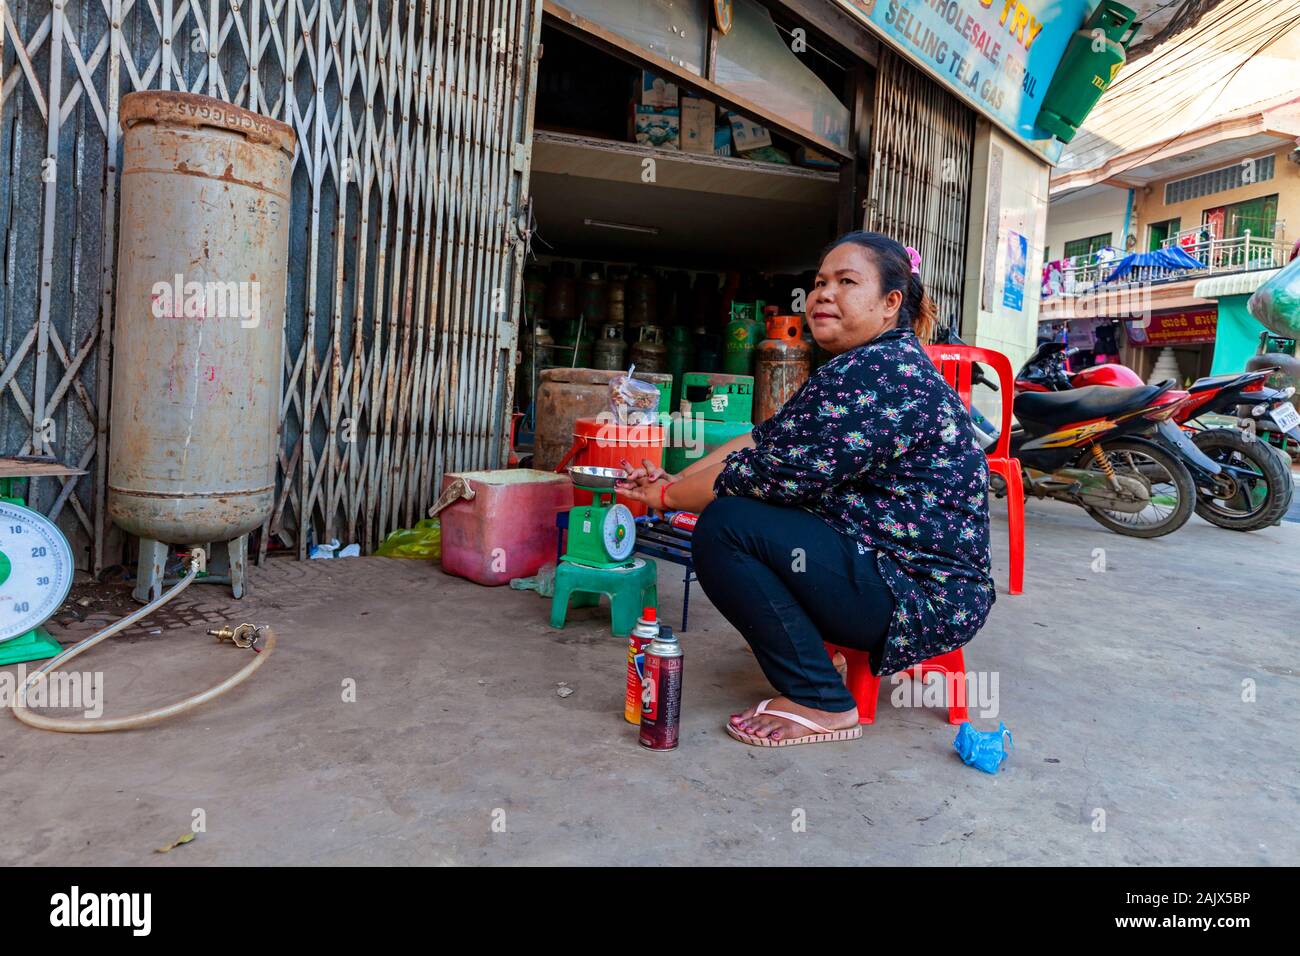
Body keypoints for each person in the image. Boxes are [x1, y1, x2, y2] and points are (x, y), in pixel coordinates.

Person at [618, 232, 995, 747]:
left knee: (727, 527)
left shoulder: (880, 374)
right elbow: (761, 440)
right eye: (820, 282)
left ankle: (820, 698)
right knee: (745, 510)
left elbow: (764, 472)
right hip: (890, 566)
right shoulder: (857, 366)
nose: (823, 294)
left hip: (918, 594)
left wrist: (664, 499)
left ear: (891, 303)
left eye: (846, 282)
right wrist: (675, 480)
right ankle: (824, 653)